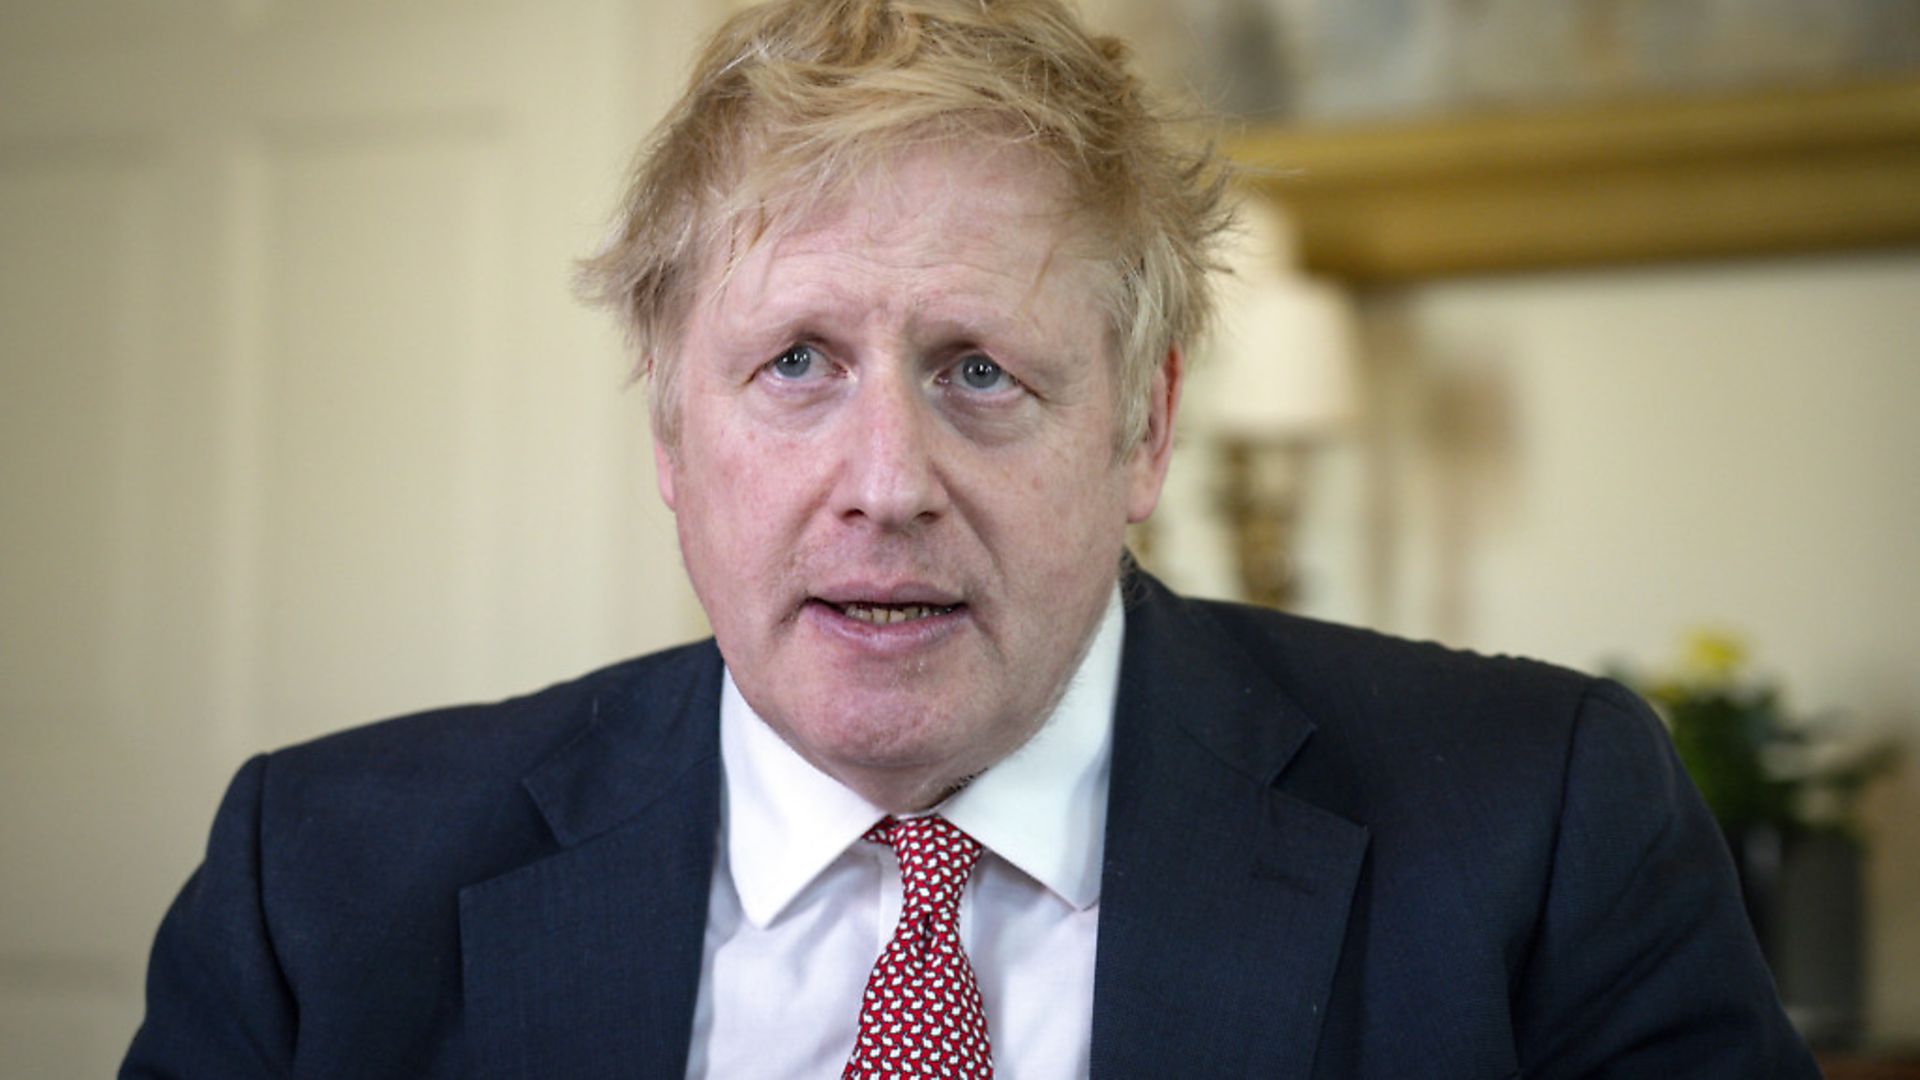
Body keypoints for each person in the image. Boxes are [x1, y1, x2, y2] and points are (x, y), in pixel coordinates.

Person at [122, 1, 1817, 1076]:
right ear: (669, 430)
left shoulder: (1542, 820)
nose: (887, 480)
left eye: (981, 372)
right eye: (795, 364)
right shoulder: (321, 886)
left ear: (1140, 429)